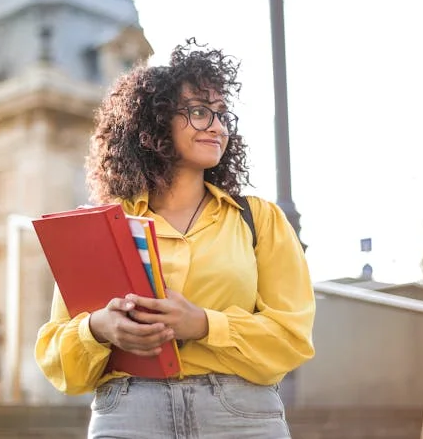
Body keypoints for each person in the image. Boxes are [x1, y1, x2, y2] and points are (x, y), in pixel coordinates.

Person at [34, 39, 315, 438]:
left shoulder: (259, 219)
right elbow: (57, 355)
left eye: (222, 114)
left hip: (239, 415)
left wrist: (202, 324)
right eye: (199, 112)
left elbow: (292, 337)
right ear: (156, 121)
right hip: (129, 412)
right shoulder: (104, 228)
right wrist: (97, 328)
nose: (217, 126)